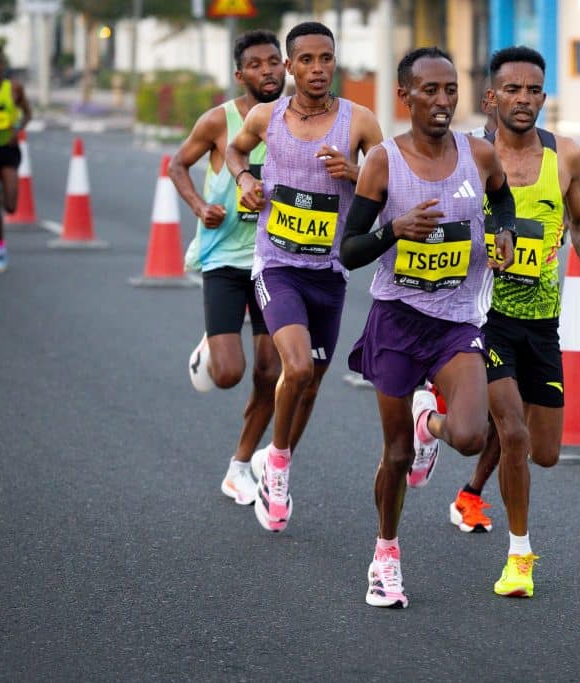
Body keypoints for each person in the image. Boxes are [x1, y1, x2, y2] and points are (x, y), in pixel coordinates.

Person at [339, 46, 516, 609]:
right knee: (394, 456)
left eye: (450, 91)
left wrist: (504, 231)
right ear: (405, 96)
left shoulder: (479, 154)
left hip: (455, 320)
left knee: (468, 435)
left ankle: (428, 418)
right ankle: (386, 554)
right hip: (396, 320)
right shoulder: (383, 163)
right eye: (430, 91)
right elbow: (349, 250)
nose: (442, 102)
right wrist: (396, 230)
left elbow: (502, 201)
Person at [437, 47, 580, 601]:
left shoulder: (566, 157)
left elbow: (579, 218)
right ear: (491, 97)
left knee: (542, 450)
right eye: (513, 90)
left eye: (534, 90)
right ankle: (519, 555)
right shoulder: (472, 160)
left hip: (542, 323)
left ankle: (436, 438)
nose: (524, 100)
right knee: (508, 430)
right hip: (486, 318)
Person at [226, 21, 383, 533]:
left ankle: (282, 459)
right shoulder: (265, 116)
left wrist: (355, 175)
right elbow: (234, 150)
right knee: (294, 370)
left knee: (311, 386)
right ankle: (275, 463)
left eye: (327, 59)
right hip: (277, 265)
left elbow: (390, 186)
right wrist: (247, 177)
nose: (318, 70)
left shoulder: (359, 122)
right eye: (307, 61)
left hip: (329, 273)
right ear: (289, 66)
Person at [169, 30, 286, 505]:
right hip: (223, 258)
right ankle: (211, 349)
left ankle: (240, 463)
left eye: (274, 62)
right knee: (228, 374)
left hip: (272, 260)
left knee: (269, 370)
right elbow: (178, 164)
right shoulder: (220, 120)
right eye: (256, 65)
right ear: (241, 75)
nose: (268, 71)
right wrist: (199, 206)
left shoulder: (299, 119)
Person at [0, 45, 32, 273]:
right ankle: (0, 248)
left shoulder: (14, 89)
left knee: (11, 206)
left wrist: (17, 129)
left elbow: (28, 114)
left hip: (8, 150)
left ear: (3, 66)